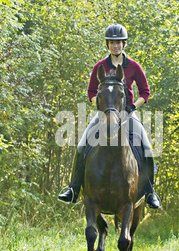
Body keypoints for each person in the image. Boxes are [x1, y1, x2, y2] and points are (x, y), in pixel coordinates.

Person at [58, 23, 161, 208]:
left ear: (124, 44)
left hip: (127, 114)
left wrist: (132, 108)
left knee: (146, 146)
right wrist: (101, 108)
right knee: (82, 145)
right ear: (108, 45)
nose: (116, 46)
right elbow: (91, 92)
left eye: (119, 42)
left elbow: (145, 92)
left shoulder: (134, 66)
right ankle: (73, 188)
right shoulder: (100, 66)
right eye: (112, 43)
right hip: (104, 113)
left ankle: (150, 192)